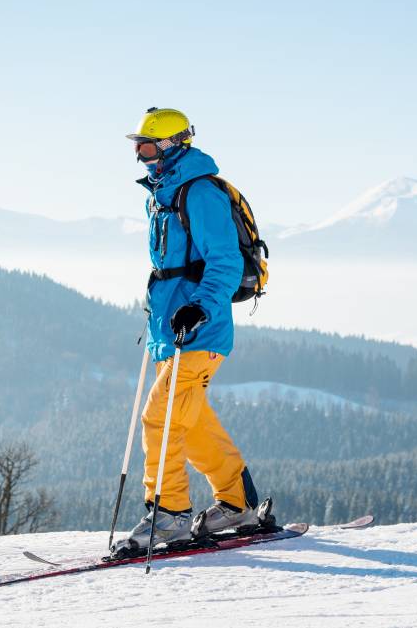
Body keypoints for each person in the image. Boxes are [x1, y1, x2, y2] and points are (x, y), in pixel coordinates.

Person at [114, 107, 261, 553]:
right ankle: (238, 505)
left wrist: (198, 307)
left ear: (174, 145)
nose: (141, 155)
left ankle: (170, 515)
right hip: (169, 326)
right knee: (191, 423)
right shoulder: (161, 195)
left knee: (159, 416)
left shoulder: (199, 193)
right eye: (138, 147)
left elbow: (225, 260)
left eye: (148, 146)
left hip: (200, 328)